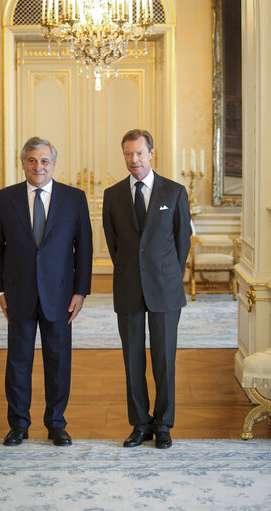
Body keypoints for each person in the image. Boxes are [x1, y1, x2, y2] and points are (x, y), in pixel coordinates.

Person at [0, 136, 93, 447]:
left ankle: (56, 424)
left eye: (44, 160)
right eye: (32, 160)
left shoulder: (74, 198)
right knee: (18, 361)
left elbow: (83, 249)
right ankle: (18, 425)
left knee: (58, 361)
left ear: (53, 164)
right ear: (23, 163)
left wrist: (81, 291)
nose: (38, 166)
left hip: (60, 295)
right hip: (18, 293)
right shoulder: (4, 198)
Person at [102, 129, 191, 449]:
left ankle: (164, 424)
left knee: (165, 359)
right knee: (133, 359)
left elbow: (182, 242)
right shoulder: (112, 195)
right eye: (128, 154)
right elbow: (113, 244)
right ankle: (140, 423)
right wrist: (133, 271)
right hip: (128, 287)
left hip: (165, 289)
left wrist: (166, 274)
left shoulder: (175, 191)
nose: (133, 160)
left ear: (151, 153)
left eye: (139, 153)